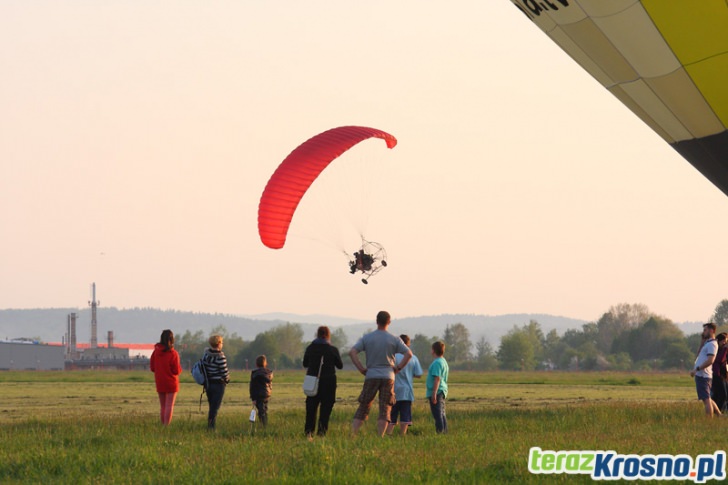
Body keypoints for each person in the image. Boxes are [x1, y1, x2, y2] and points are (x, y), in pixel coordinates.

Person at [349, 310, 412, 437]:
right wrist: (398, 368)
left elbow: (352, 352)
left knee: (364, 405)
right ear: (389, 322)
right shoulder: (394, 339)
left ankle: (353, 434)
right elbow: (409, 354)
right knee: (385, 408)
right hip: (388, 376)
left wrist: (361, 368)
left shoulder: (367, 338)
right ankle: (380, 436)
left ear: (376, 321)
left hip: (371, 375)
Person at [302, 326, 344, 439]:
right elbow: (340, 365)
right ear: (328, 335)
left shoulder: (310, 348)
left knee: (311, 408)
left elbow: (305, 364)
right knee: (326, 408)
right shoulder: (332, 349)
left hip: (313, 381)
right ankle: (321, 433)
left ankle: (309, 433)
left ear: (317, 334)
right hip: (329, 381)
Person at [386, 334, 423, 435]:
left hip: (393, 390)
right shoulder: (413, 358)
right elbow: (419, 374)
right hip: (407, 391)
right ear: (408, 344)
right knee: (405, 415)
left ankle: (388, 433)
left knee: (392, 415)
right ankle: (402, 435)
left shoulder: (392, 357)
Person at [150, 329, 182, 426]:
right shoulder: (173, 354)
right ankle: (166, 426)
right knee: (169, 406)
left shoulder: (155, 352)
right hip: (171, 382)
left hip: (160, 381)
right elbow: (176, 370)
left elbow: (152, 368)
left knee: (163, 406)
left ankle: (162, 424)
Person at [690, 323, 721, 417]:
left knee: (706, 399)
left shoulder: (712, 344)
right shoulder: (707, 343)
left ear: (712, 330)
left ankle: (709, 420)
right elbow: (699, 355)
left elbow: (710, 360)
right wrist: (702, 341)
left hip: (703, 375)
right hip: (702, 375)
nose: (703, 332)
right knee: (708, 398)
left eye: (705, 330)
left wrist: (697, 369)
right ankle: (719, 415)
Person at [202, 334, 230, 430]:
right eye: (222, 342)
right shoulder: (220, 356)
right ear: (218, 344)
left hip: (209, 384)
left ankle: (210, 425)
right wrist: (227, 380)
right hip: (219, 385)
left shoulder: (206, 355)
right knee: (215, 407)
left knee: (211, 405)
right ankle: (211, 427)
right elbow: (224, 372)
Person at [426, 340, 449, 433]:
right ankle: (445, 431)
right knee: (442, 413)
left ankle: (440, 432)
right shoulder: (443, 361)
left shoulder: (436, 363)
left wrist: (434, 393)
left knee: (437, 414)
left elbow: (437, 378)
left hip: (437, 391)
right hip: (442, 390)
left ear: (433, 350)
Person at [250, 354, 273, 427]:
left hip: (258, 395)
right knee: (264, 408)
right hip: (267, 394)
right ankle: (264, 422)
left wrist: (253, 398)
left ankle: (263, 424)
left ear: (256, 364)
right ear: (265, 363)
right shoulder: (269, 373)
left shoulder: (255, 374)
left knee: (261, 410)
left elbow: (252, 386)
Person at [711, 332, 728, 413]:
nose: (724, 343)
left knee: (719, 395)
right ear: (718, 341)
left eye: (726, 341)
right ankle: (718, 413)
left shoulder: (723, 350)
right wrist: (725, 349)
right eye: (723, 341)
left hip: (724, 375)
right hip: (716, 375)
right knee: (722, 395)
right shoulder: (715, 349)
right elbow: (719, 360)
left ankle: (716, 412)